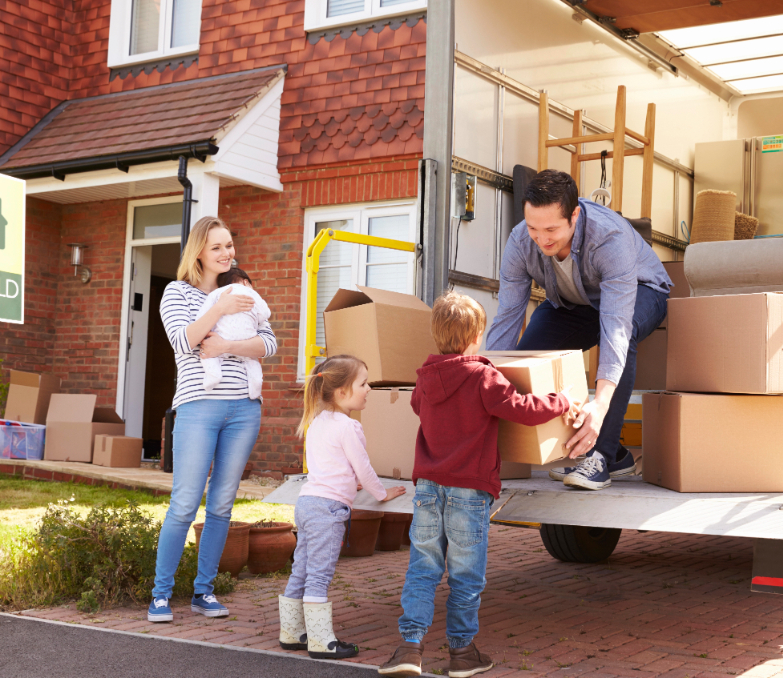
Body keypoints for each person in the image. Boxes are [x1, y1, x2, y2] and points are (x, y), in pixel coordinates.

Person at [379, 291, 577, 678]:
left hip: (428, 489)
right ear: (477, 336)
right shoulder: (483, 375)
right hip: (469, 490)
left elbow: (418, 405)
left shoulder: (426, 377)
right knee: (466, 575)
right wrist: (562, 400)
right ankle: (463, 653)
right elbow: (522, 410)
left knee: (423, 568)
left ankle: (409, 648)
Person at [485, 170, 671, 491]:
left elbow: (615, 330)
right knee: (528, 356)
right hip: (575, 304)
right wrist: (483, 381)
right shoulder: (519, 241)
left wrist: (598, 407)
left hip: (642, 292)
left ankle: (600, 454)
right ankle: (612, 454)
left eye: (551, 229)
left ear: (574, 215)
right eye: (533, 228)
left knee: (621, 342)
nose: (542, 239)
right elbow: (508, 317)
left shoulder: (610, 239)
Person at [148, 216, 277, 623]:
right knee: (185, 503)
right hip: (198, 407)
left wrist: (226, 343)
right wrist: (219, 307)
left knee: (221, 504)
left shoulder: (241, 289)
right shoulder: (177, 293)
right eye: (218, 246)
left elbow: (268, 342)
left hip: (244, 409)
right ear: (199, 252)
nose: (227, 253)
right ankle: (161, 595)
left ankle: (204, 591)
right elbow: (184, 343)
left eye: (230, 245)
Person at [278, 355, 406, 659]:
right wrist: (381, 494)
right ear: (342, 392)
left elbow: (330, 466)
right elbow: (364, 468)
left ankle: (291, 632)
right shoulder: (349, 427)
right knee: (319, 575)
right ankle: (322, 642)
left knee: (302, 569)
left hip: (307, 504)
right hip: (328, 511)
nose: (369, 389)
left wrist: (350, 482)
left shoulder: (316, 422)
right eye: (363, 383)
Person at [196, 267, 270, 395]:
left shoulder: (217, 293)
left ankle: (213, 375)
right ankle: (256, 387)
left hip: (222, 336)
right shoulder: (252, 294)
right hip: (247, 340)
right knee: (252, 361)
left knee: (209, 356)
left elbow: (201, 317)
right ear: (246, 282)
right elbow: (265, 313)